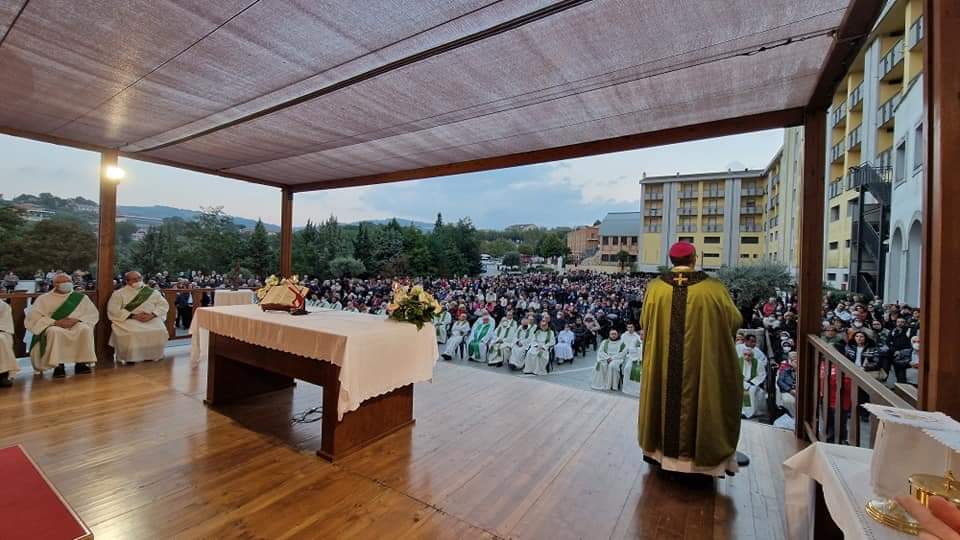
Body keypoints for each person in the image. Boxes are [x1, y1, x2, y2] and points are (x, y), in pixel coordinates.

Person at [638, 241, 743, 477]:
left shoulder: (655, 287)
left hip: (663, 364)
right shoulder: (713, 288)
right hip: (700, 362)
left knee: (663, 399)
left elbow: (644, 321)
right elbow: (734, 320)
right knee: (704, 399)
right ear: (694, 259)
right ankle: (699, 462)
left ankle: (660, 454)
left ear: (671, 260)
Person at [25, 272, 98, 378]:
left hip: (75, 324)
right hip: (54, 325)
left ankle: (81, 363)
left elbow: (92, 314)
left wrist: (77, 320)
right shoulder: (43, 299)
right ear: (55, 284)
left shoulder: (81, 298)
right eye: (62, 282)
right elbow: (33, 318)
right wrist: (55, 322)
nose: (66, 283)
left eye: (68, 281)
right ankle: (58, 366)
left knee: (85, 329)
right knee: (54, 332)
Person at [107, 271, 170, 365]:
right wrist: (133, 316)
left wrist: (153, 314)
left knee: (160, 330)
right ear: (127, 281)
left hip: (150, 318)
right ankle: (130, 357)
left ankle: (152, 356)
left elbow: (163, 305)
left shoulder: (152, 292)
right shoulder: (119, 294)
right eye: (134, 279)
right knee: (133, 333)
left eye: (139, 278)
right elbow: (113, 310)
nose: (138, 280)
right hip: (129, 319)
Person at [739, 348, 765, 419]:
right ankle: (741, 411)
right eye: (745, 355)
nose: (747, 357)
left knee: (752, 391)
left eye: (749, 355)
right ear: (742, 354)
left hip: (753, 383)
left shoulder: (758, 362)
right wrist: (743, 383)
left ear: (752, 355)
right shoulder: (738, 361)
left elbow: (761, 375)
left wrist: (751, 382)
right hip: (740, 382)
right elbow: (735, 374)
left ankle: (750, 413)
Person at [0, 300, 17, 387]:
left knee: (1, 339)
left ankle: (2, 374)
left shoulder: (3, 306)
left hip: (1, 331)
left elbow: (5, 326)